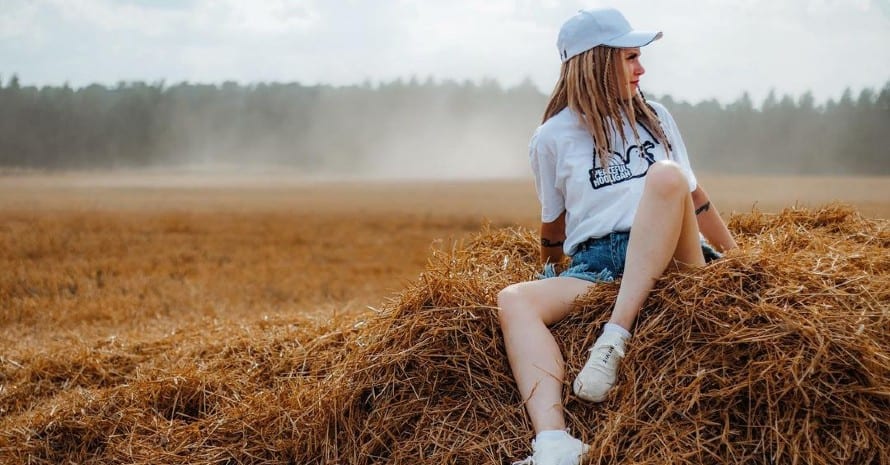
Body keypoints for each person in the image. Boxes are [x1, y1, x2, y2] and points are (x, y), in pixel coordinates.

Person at [498, 7, 738, 465]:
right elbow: (554, 225)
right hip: (599, 265)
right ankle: (553, 443)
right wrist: (550, 270)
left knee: (667, 177)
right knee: (514, 299)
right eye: (630, 57)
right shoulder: (550, 137)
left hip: (674, 255)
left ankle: (613, 338)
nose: (641, 68)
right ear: (596, 62)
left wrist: (740, 260)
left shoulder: (656, 117)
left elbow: (694, 196)